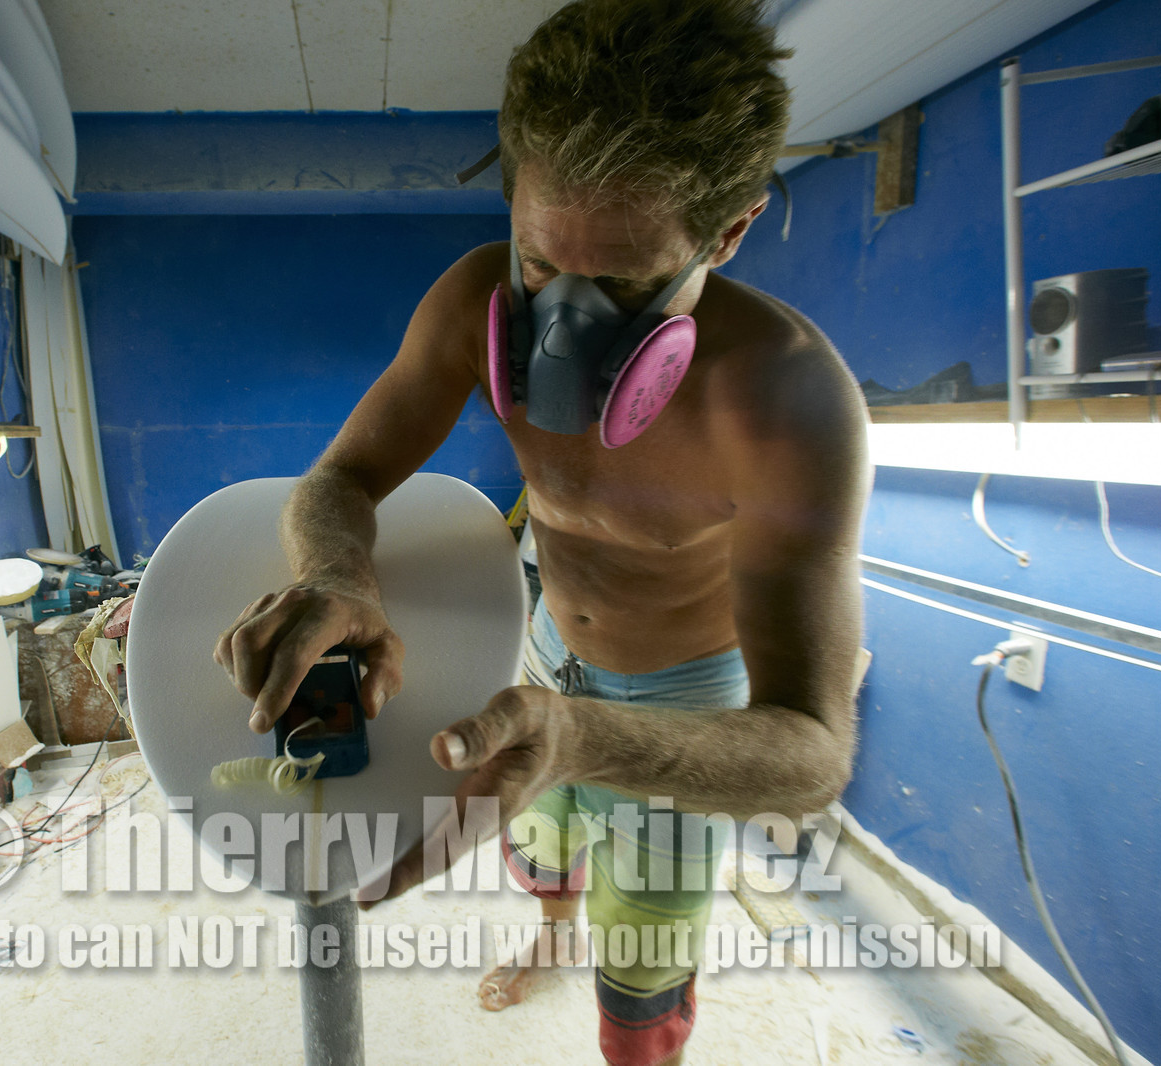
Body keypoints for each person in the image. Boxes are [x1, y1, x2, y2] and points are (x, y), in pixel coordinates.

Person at [214, 1, 870, 1063]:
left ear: (729, 231)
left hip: (685, 702)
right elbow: (340, 477)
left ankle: (631, 1031)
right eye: (535, 259)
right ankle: (551, 931)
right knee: (545, 840)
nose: (558, 323)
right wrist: (338, 571)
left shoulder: (787, 399)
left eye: (618, 282)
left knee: (647, 943)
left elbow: (812, 754)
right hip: (544, 645)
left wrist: (588, 739)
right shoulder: (471, 297)